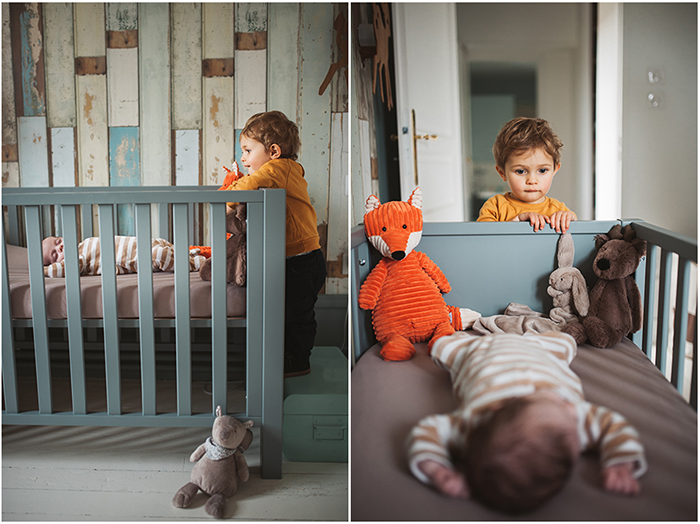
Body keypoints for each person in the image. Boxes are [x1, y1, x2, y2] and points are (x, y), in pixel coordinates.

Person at [407, 331, 646, 513]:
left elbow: (426, 432)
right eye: (565, 407)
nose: (571, 407)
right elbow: (612, 425)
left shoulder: (472, 424)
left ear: (497, 406)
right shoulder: (572, 423)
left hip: (478, 350)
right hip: (540, 349)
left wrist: (437, 470)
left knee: (445, 346)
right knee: (566, 342)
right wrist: (621, 463)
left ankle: (452, 344)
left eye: (559, 404)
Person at [222, 110, 326, 378]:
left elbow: (245, 188)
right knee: (287, 314)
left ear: (274, 151)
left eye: (247, 150)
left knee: (297, 316)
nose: (243, 158)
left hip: (302, 261)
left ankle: (298, 362)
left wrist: (225, 194)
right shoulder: (281, 171)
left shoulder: (278, 169)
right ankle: (286, 357)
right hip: (295, 260)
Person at [477, 117, 577, 233]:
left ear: (555, 169)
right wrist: (516, 221)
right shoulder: (495, 206)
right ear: (502, 173)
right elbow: (484, 240)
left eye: (542, 170)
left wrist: (570, 220)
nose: (532, 181)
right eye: (520, 171)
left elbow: (573, 241)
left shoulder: (558, 210)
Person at [42, 235, 206, 278]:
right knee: (160, 255)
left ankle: (187, 255)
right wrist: (44, 271)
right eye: (55, 254)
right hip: (139, 257)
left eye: (58, 242)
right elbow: (64, 270)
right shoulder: (78, 260)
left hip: (147, 242)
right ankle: (199, 263)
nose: (60, 247)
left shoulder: (83, 243)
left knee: (166, 250)